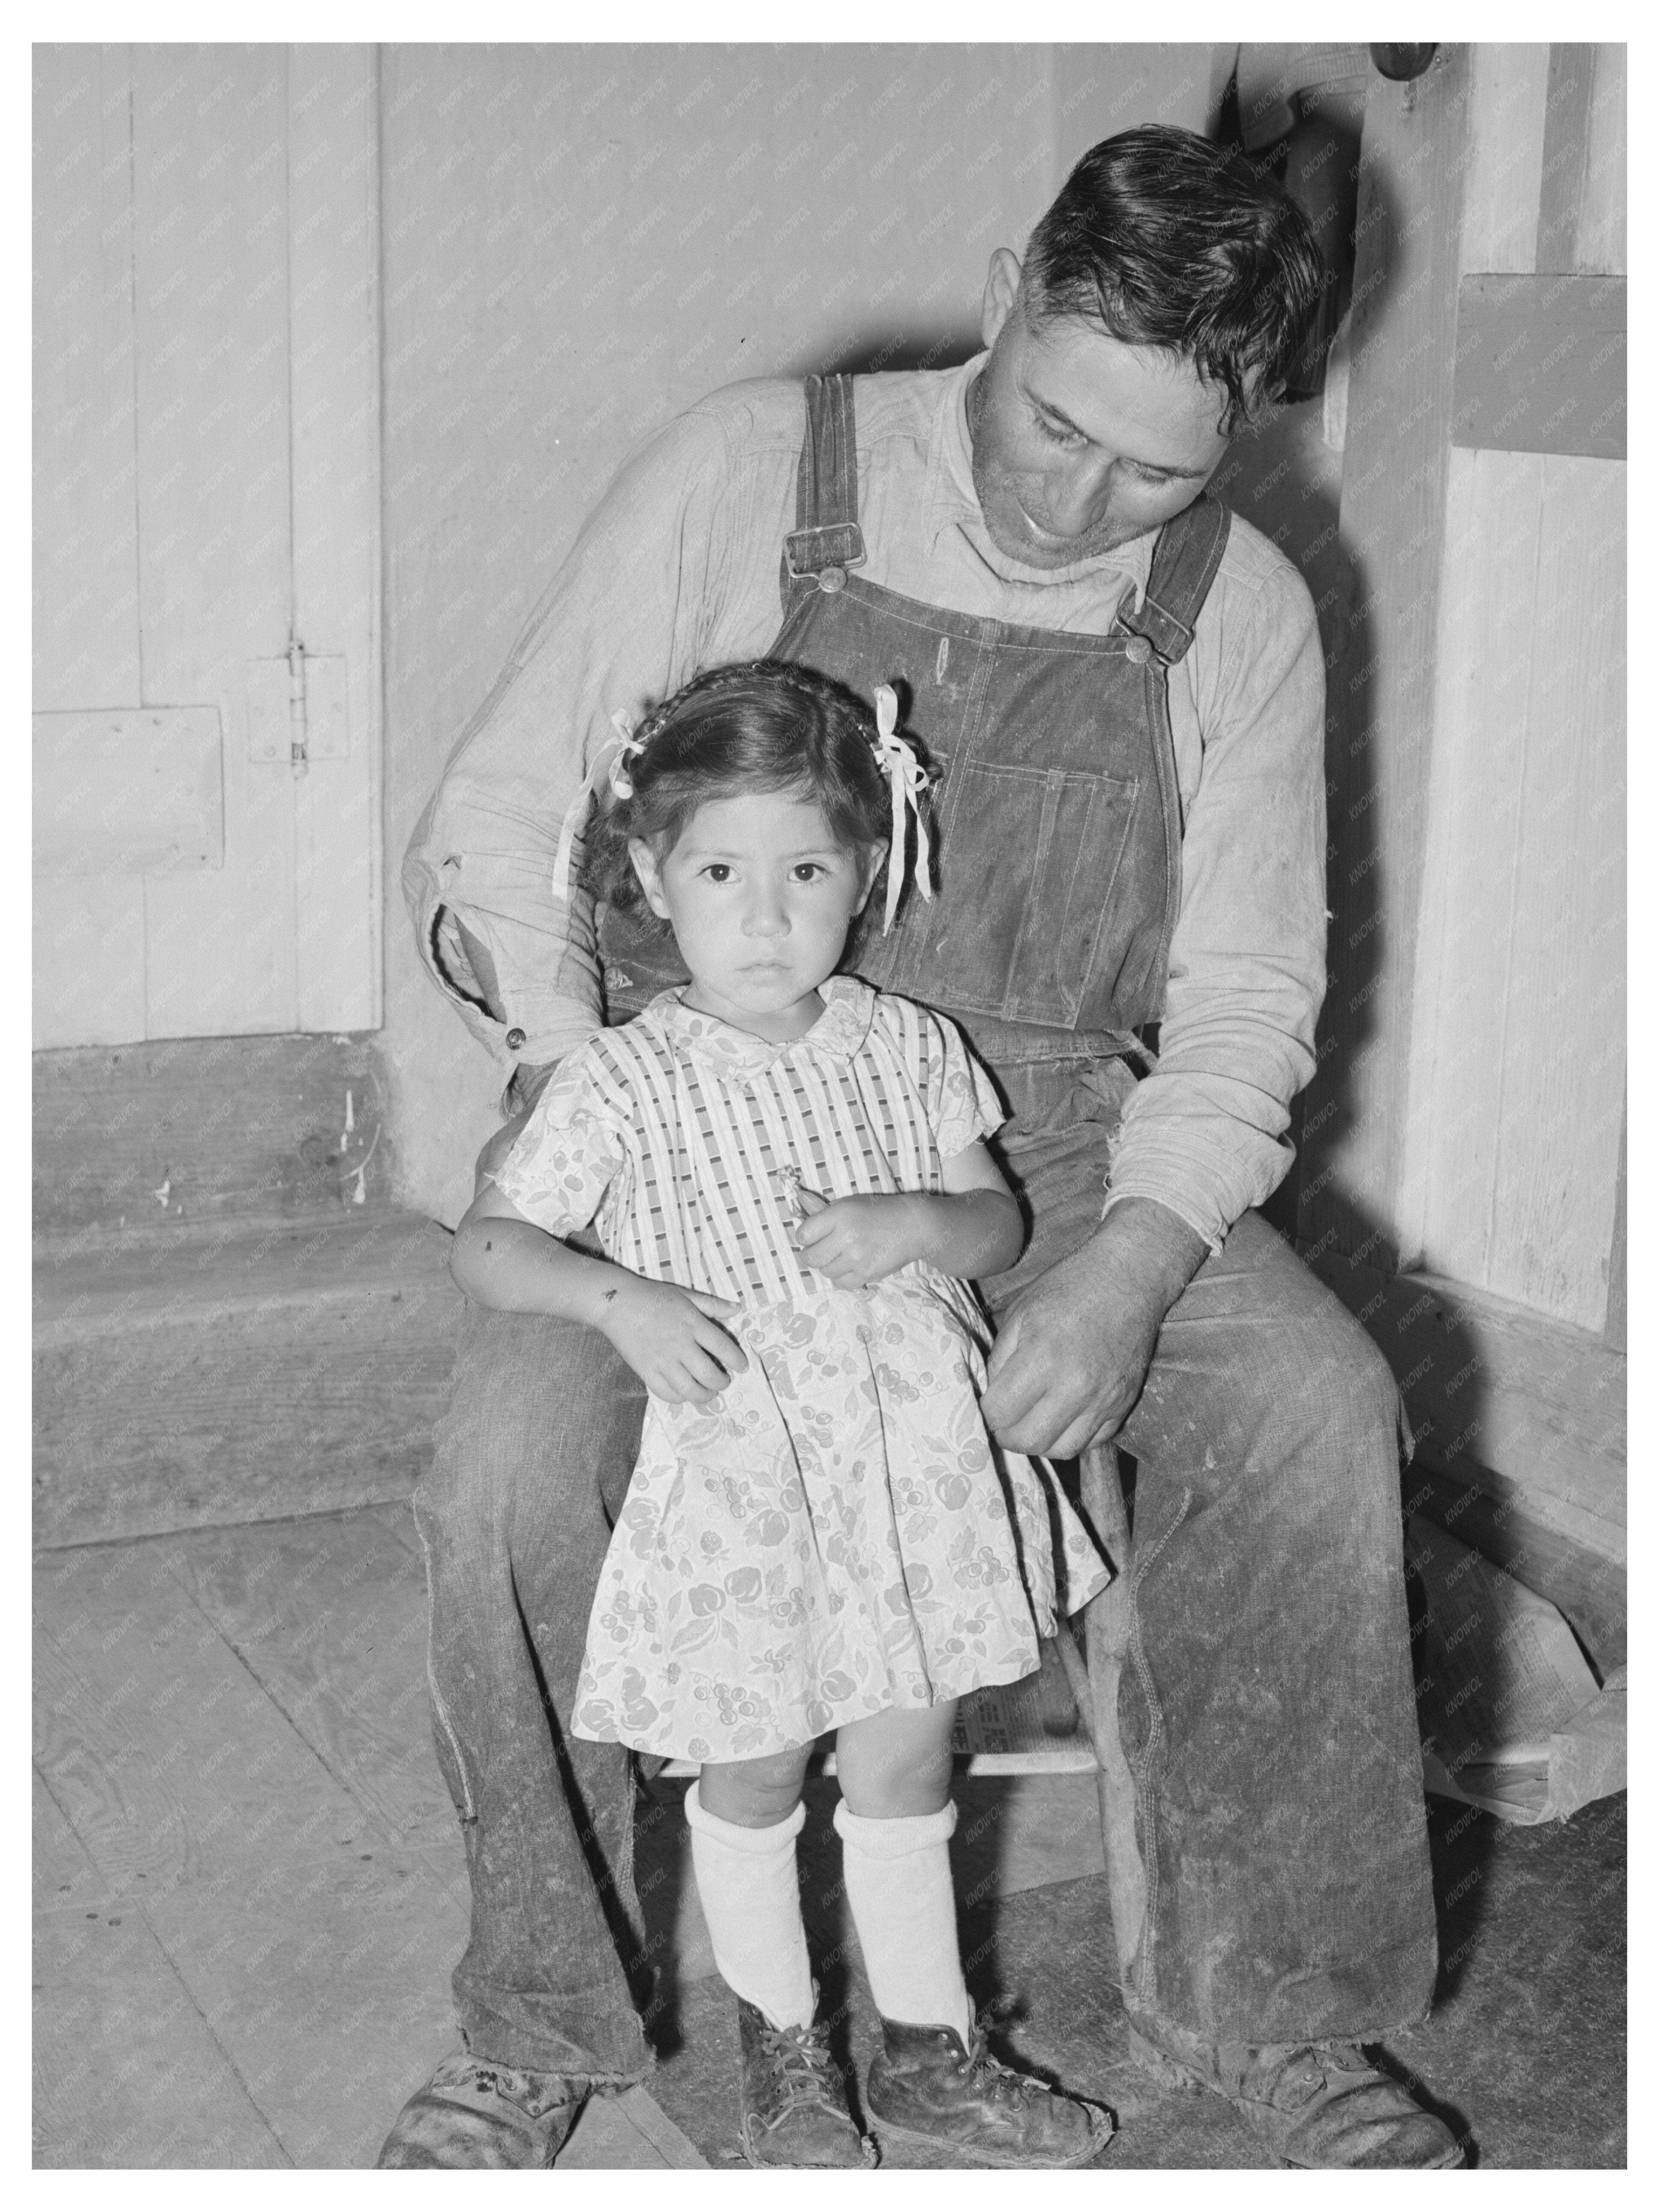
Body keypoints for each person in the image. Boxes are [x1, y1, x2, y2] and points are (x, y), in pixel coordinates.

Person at [384, 125, 1461, 2171]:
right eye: (1051, 420)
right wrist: (578, 1085)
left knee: (1314, 1406)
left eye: (1152, 468)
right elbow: (498, 823)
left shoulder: (1240, 610)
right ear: (999, 295)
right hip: (695, 1110)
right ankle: (538, 2005)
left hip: (1045, 1140)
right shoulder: (744, 474)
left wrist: (1132, 1264)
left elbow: (1241, 1006)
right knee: (509, 1469)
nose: (1074, 501)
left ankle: (1275, 2002)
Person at [446, 658, 1116, 2168]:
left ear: (867, 872)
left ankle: (933, 2043)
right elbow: (489, 1247)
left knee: (903, 1759)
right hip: (748, 1485)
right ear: (650, 877)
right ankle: (786, 2050)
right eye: (723, 871)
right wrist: (619, 1300)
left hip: (919, 1471)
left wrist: (918, 1227)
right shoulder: (625, 1081)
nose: (765, 916)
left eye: (806, 869)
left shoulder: (905, 1045)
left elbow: (995, 1224)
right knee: (752, 1769)